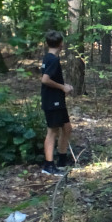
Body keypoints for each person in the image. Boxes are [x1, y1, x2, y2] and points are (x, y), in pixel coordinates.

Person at [40, 30, 74, 177]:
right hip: (52, 100)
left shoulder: (49, 57)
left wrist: (62, 85)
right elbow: (45, 79)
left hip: (57, 100)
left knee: (67, 128)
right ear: (61, 43)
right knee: (52, 131)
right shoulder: (52, 59)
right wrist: (62, 87)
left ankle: (62, 159)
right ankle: (48, 165)